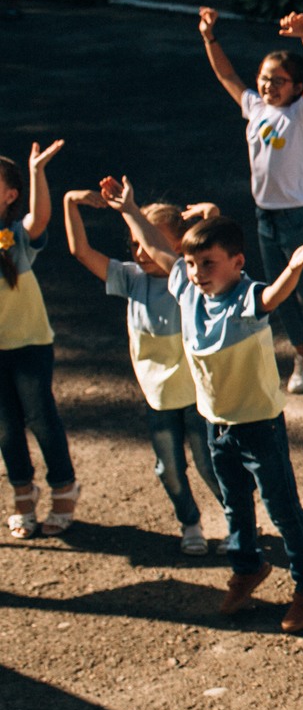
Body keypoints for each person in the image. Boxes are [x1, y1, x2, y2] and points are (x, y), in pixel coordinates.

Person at [112, 187, 303, 632]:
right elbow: (159, 250)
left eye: (208, 264)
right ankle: (247, 568)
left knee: (281, 507)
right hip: (217, 424)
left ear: (237, 262)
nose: (197, 273)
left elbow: (272, 297)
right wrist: (128, 210)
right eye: (192, 264)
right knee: (235, 505)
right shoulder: (187, 288)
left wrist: (292, 268)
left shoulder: (247, 298)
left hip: (259, 425)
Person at [197, 7, 303, 392]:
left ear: (296, 86)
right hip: (267, 215)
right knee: (277, 293)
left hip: (301, 214)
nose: (268, 86)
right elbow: (226, 74)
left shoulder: (301, 113)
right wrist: (210, 37)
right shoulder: (254, 108)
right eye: (264, 79)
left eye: (279, 81)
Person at [62, 187, 222, 553]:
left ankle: (237, 522)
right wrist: (70, 202)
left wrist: (211, 215)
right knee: (168, 469)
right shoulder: (131, 278)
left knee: (209, 464)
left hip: (198, 396)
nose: (139, 251)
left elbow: (215, 251)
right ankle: (190, 524)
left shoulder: (191, 282)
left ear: (179, 247)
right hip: (159, 398)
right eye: (134, 243)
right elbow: (80, 252)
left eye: (148, 243)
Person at [0, 143, 76, 539]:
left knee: (41, 419)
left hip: (29, 344)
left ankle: (64, 487)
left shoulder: (12, 237)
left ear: (9, 195)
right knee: (6, 429)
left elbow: (40, 219)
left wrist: (36, 171)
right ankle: (22, 496)